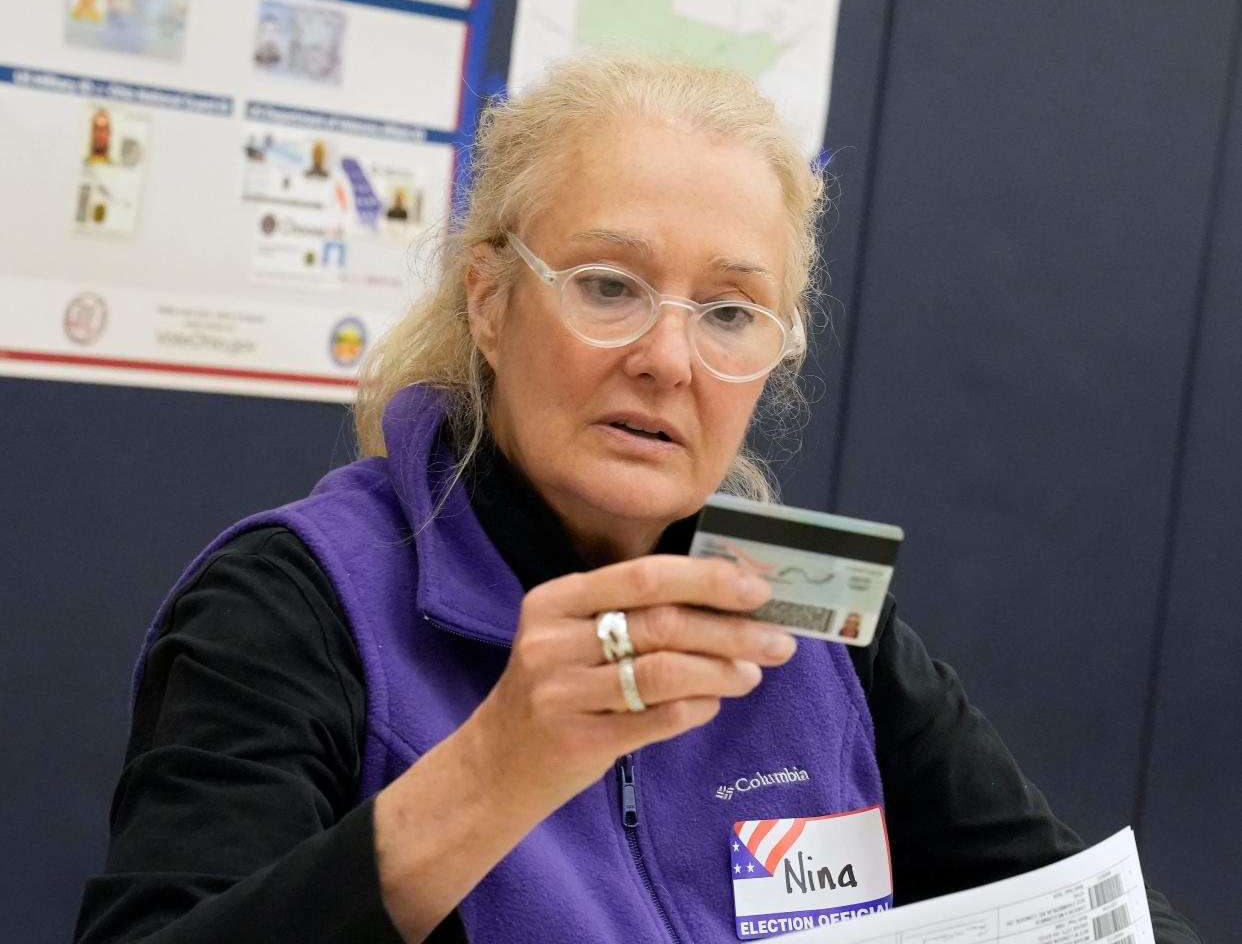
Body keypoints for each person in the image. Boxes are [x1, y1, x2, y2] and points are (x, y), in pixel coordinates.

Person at [75, 55, 1201, 943]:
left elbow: (1085, 910)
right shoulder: (295, 600)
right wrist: (496, 767)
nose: (669, 360)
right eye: (609, 287)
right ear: (488, 299)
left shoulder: (804, 603)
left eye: (729, 312)